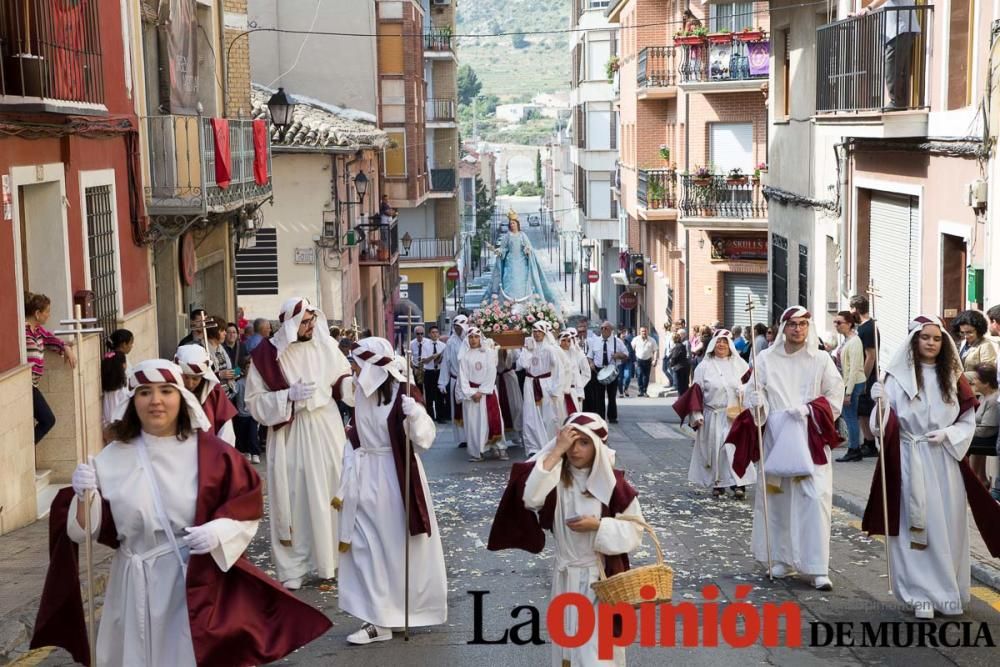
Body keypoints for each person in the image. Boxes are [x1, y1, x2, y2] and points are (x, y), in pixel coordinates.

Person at [31, 359, 332, 666]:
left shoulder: (213, 454)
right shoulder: (109, 459)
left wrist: (218, 532)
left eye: (166, 391)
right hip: (131, 582)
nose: (156, 401)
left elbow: (247, 508)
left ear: (182, 397)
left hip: (188, 580)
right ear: (133, 401)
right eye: (145, 392)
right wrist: (83, 496)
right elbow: (81, 533)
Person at [862, 316, 1000, 618]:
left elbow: (967, 421)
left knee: (947, 527)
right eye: (925, 337)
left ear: (944, 343)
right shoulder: (895, 378)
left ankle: (947, 592)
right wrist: (880, 406)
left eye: (936, 338)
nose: (931, 342)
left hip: (943, 460)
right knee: (914, 526)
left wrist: (948, 434)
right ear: (914, 339)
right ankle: (918, 594)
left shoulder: (954, 376)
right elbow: (880, 429)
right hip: (909, 458)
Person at [488, 413, 645, 667]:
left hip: (599, 580)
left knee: (595, 654)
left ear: (597, 446)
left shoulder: (614, 484)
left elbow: (635, 531)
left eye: (583, 442)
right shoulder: (557, 478)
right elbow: (531, 498)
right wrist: (556, 450)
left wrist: (599, 526)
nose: (575, 450)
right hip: (565, 576)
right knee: (569, 651)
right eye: (570, 442)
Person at [333, 338, 447, 644]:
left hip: (393, 479)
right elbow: (337, 388)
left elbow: (423, 440)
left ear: (372, 365)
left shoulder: (403, 394)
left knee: (393, 549)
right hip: (363, 476)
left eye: (357, 363)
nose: (353, 368)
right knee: (364, 548)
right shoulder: (359, 390)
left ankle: (393, 614)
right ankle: (377, 619)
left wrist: (416, 416)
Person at [729, 306, 845, 590]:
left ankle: (817, 567)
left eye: (803, 324)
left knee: (815, 498)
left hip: (810, 434)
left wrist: (811, 413)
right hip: (777, 435)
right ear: (783, 328)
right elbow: (758, 394)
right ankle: (780, 559)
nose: (798, 330)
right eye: (792, 324)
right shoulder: (766, 359)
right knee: (778, 498)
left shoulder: (821, 359)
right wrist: (756, 403)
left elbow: (834, 394)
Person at [246, 297, 354, 590]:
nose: (311, 326)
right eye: (304, 322)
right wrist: (287, 398)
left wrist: (352, 387)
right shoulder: (267, 357)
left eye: (312, 320)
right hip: (291, 433)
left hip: (327, 426)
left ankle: (331, 561)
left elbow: (340, 379)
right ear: (290, 324)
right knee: (296, 497)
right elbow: (254, 403)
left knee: (332, 491)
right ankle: (295, 566)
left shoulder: (325, 345)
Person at [676, 330, 756, 499]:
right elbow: (695, 393)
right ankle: (718, 483)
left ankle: (738, 483)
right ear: (713, 345)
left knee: (734, 449)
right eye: (718, 341)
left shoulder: (740, 364)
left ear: (730, 345)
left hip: (735, 414)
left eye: (725, 342)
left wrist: (744, 391)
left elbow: (751, 386)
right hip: (713, 413)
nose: (721, 345)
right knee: (716, 451)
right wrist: (696, 414)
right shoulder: (704, 367)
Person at [25, 292, 77, 445]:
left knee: (47, 420)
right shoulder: (22, 331)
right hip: (26, 386)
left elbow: (51, 339)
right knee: (48, 419)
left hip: (33, 385)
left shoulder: (38, 331)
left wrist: (65, 347)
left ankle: (28, 450)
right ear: (37, 313)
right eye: (47, 311)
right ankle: (28, 451)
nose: (49, 315)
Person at [856, 0, 921, 110]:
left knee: (892, 66)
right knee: (899, 68)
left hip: (900, 29)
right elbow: (883, 7)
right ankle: (900, 103)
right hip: (897, 31)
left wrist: (869, 7)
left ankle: (897, 102)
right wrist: (861, 13)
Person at [487, 210, 558, 304]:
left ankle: (524, 302)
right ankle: (509, 302)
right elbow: (503, 249)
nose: (512, 225)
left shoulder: (522, 235)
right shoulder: (507, 236)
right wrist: (497, 251)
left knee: (522, 282)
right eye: (511, 223)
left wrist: (527, 250)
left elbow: (528, 247)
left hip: (521, 263)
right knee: (509, 282)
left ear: (517, 224)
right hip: (510, 263)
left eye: (514, 223)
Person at [458, 328, 507, 461]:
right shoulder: (465, 356)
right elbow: (462, 377)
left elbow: (492, 372)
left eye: (476, 337)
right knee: (473, 424)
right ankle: (476, 452)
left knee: (493, 421)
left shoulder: (488, 353)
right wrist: (470, 393)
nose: (473, 340)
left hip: (487, 393)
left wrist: (482, 391)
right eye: (471, 337)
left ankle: (499, 447)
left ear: (480, 338)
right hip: (472, 396)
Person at [175, 344, 238, 446]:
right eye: (185, 377)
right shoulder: (169, 392)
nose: (190, 384)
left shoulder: (215, 393)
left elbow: (226, 433)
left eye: (195, 379)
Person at [518, 321, 562, 455]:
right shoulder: (528, 348)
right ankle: (533, 447)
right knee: (530, 415)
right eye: (534, 331)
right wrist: (528, 351)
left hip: (545, 383)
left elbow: (558, 370)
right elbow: (522, 365)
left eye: (539, 331)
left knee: (547, 416)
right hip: (530, 383)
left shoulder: (550, 349)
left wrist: (555, 389)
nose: (536, 334)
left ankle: (548, 444)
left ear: (544, 333)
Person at [833, 311, 868, 462]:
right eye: (835, 322)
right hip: (847, 383)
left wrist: (848, 392)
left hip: (852, 383)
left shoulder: (855, 341)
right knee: (850, 416)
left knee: (850, 417)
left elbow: (854, 368)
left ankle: (854, 449)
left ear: (849, 324)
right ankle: (854, 448)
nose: (836, 325)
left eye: (839, 322)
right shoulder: (847, 340)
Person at [851, 294, 880, 458]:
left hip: (867, 377)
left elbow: (871, 356)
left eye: (851, 308)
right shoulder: (863, 327)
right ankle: (868, 442)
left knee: (865, 410)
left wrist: (862, 379)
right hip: (863, 375)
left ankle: (870, 443)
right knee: (862, 411)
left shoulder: (868, 328)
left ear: (856, 309)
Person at [587, 321, 629, 423]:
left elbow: (626, 355)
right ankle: (600, 418)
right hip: (598, 370)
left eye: (606, 328)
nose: (603, 330)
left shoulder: (617, 341)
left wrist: (618, 355)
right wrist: (591, 364)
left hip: (611, 370)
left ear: (611, 330)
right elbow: (589, 356)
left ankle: (612, 417)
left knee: (612, 395)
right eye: (602, 328)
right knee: (599, 396)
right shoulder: (595, 341)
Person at [438, 315, 470, 446]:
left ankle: (472, 436)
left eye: (460, 327)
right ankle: (462, 438)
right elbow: (446, 363)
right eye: (455, 327)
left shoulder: (471, 339)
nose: (457, 330)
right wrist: (442, 382)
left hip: (469, 381)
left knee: (470, 409)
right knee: (457, 410)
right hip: (455, 380)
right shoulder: (451, 342)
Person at [968, 364, 999, 489]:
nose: (973, 381)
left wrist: (965, 431)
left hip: (990, 438)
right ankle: (980, 479)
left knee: (960, 442)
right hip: (982, 435)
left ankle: (975, 480)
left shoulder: (993, 400)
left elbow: (987, 430)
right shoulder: (982, 397)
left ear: (986, 383)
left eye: (976, 379)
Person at [232, 357, 262, 464]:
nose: (250, 370)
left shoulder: (258, 382)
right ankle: (246, 452)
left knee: (253, 434)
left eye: (252, 367)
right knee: (242, 434)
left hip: (253, 414)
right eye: (248, 367)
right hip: (241, 414)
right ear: (244, 370)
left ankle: (255, 453)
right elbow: (233, 393)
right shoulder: (239, 382)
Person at [414, 325, 446, 423]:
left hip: (440, 372)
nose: (435, 334)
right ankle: (431, 417)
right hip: (429, 372)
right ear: (429, 334)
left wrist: (440, 358)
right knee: (429, 396)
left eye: (436, 332)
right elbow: (424, 361)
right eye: (432, 332)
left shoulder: (443, 346)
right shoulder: (425, 345)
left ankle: (441, 416)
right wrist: (433, 356)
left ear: (439, 334)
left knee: (440, 395)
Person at [100, 351, 129, 431]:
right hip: (118, 430)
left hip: (109, 428)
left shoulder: (106, 391)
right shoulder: (121, 391)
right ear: (123, 365)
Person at [632, 326, 658, 398]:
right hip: (638, 360)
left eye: (645, 331)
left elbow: (655, 350)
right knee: (639, 374)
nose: (644, 332)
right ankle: (640, 390)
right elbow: (632, 349)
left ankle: (645, 391)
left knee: (646, 376)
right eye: (642, 331)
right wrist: (633, 359)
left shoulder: (652, 340)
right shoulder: (636, 339)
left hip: (648, 360)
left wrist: (655, 359)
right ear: (640, 332)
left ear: (647, 331)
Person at [669, 331, 691, 396]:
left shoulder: (677, 347)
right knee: (685, 384)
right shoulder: (682, 345)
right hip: (685, 366)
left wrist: (671, 364)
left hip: (679, 367)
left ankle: (681, 399)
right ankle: (685, 399)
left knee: (680, 385)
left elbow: (674, 357)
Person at [618, 326, 636, 398]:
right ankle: (621, 392)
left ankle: (626, 389)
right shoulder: (616, 342)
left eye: (624, 333)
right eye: (622, 333)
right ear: (619, 334)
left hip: (627, 362)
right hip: (619, 362)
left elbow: (631, 351)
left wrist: (634, 361)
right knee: (620, 378)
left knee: (628, 376)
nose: (624, 334)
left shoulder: (627, 342)